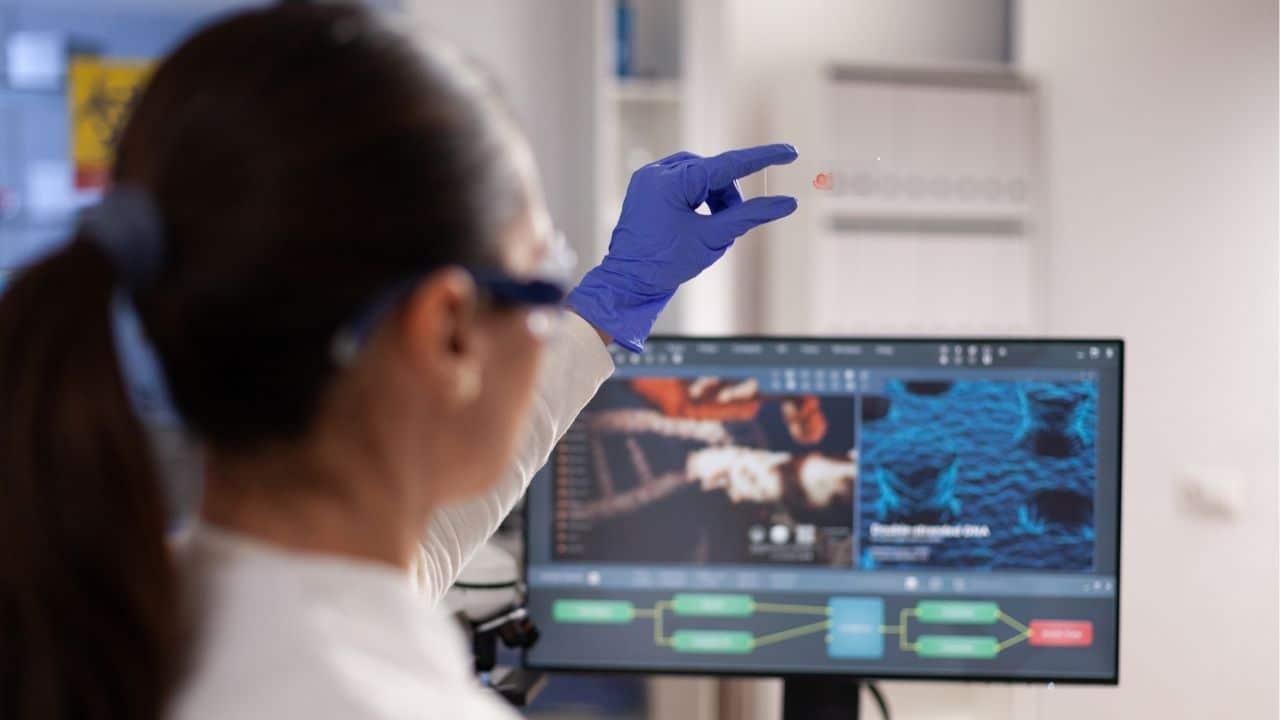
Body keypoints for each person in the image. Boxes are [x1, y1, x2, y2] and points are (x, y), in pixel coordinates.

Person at [0, 5, 798, 720]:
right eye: (541, 268)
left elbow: (403, 561)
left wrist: (605, 306)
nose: (548, 314)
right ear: (448, 328)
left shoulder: (130, 621)